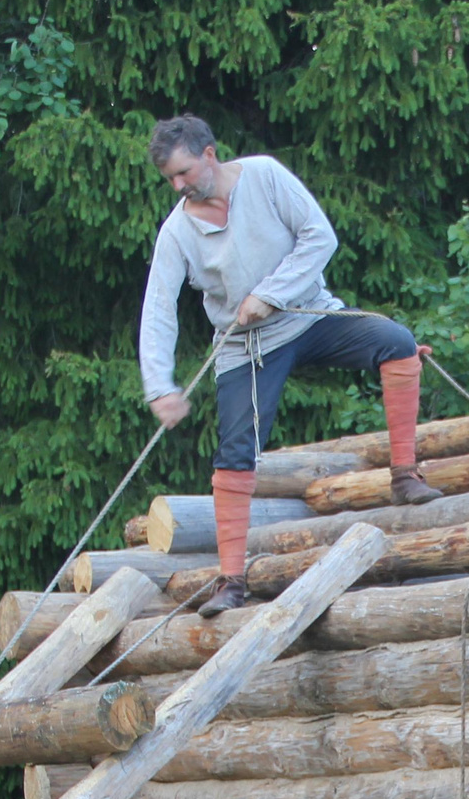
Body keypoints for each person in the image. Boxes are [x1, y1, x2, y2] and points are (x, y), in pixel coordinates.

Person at [138, 113, 441, 617]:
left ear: (209, 153)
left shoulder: (265, 176)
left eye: (185, 172)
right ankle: (232, 580)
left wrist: (270, 295)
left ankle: (405, 476)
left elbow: (319, 238)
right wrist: (160, 387)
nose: (179, 185)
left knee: (397, 342)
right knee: (235, 451)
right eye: (170, 178)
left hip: (309, 314)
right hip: (245, 347)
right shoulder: (176, 233)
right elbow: (157, 310)